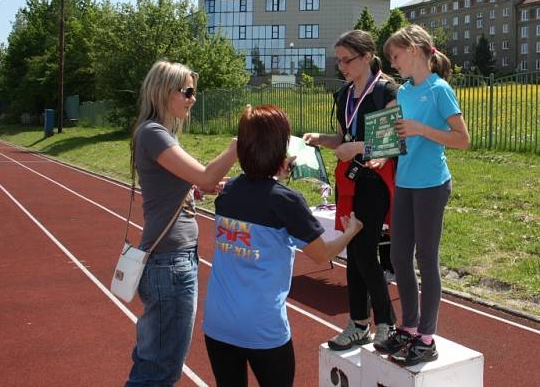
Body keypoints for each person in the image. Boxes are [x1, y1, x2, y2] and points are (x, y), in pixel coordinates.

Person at [203, 105, 363, 387]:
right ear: (280, 150)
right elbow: (322, 254)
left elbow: (252, 192)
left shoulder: (227, 192)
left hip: (218, 324)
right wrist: (351, 231)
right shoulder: (285, 201)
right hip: (263, 329)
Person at [126, 60, 238, 386]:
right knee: (160, 369)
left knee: (158, 364)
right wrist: (236, 146)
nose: (192, 99)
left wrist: (195, 188)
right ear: (165, 92)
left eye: (194, 92)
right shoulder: (153, 133)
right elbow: (205, 174)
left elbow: (195, 181)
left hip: (171, 260)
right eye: (187, 92)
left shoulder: (159, 133)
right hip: (169, 264)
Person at [376, 24, 470, 366]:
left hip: (432, 184)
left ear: (415, 50)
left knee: (425, 259)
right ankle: (410, 327)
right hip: (405, 182)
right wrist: (383, 154)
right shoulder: (402, 92)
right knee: (399, 257)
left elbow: (462, 139)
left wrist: (422, 130)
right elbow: (399, 138)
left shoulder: (439, 89)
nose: (393, 62)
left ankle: (427, 337)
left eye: (395, 56)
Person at [303, 30, 399, 351]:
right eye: (338, 60)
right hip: (350, 179)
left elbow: (390, 143)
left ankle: (385, 322)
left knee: (363, 252)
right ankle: (359, 323)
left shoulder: (385, 91)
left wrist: (354, 146)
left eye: (347, 59)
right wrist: (322, 139)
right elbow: (343, 140)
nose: (342, 66)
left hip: (376, 179)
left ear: (368, 57)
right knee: (353, 254)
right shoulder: (344, 95)